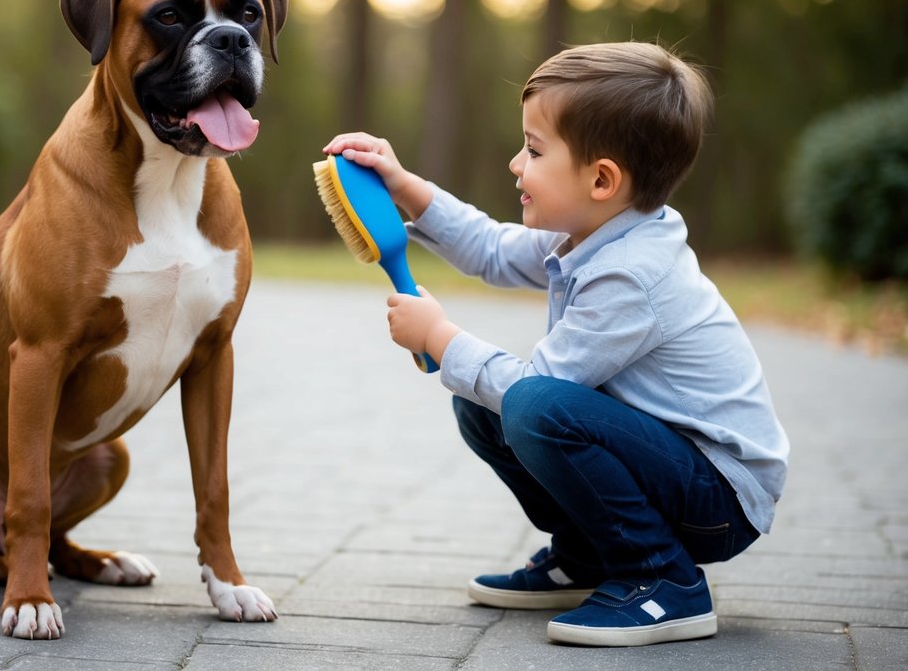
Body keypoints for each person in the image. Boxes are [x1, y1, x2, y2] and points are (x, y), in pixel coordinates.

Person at [322, 41, 789, 648]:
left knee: (529, 404)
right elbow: (490, 248)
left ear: (601, 179)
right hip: (674, 470)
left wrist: (440, 336)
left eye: (535, 150)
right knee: (483, 400)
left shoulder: (633, 273)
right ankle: (589, 557)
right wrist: (405, 187)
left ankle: (665, 582)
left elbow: (536, 390)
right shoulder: (590, 234)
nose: (517, 163)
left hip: (718, 497)